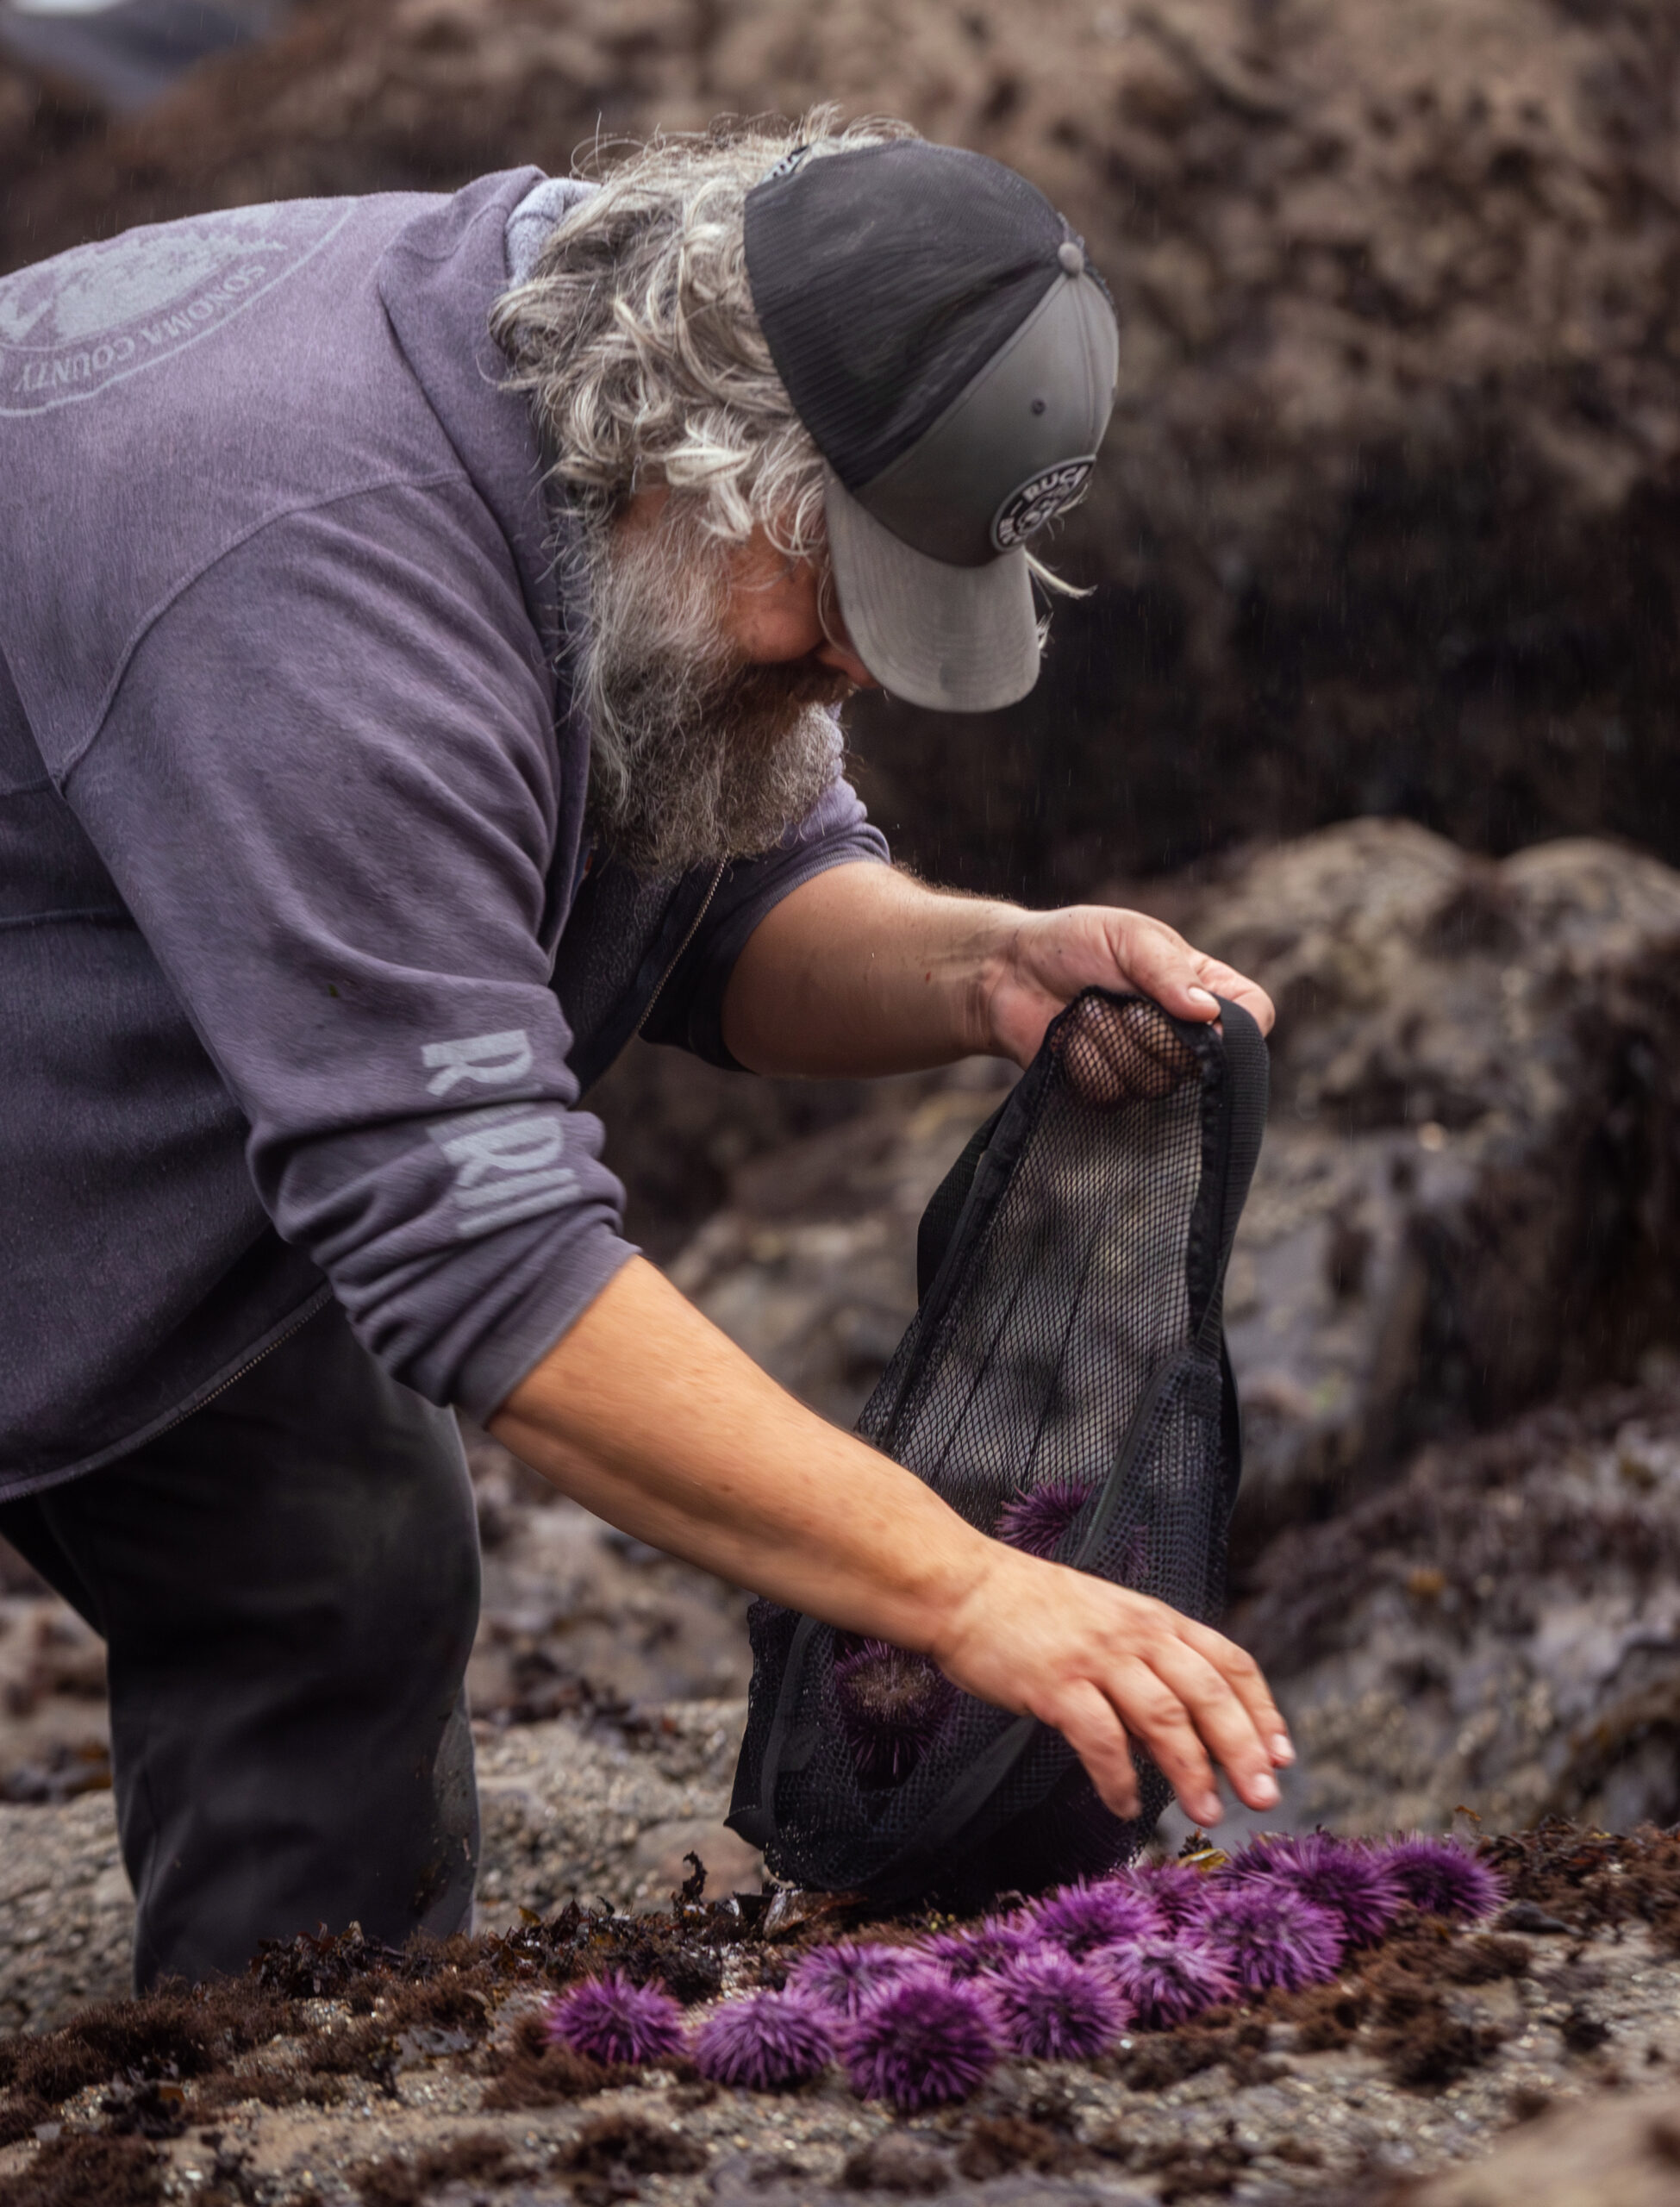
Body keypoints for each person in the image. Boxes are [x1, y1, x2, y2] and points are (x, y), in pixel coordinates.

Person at [0, 112, 1287, 1989]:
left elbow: (728, 892)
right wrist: (963, 1586)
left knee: (333, 1559)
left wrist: (980, 966)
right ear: (692, 464)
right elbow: (488, 1259)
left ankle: (269, 2099)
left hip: (117, 1023)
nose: (854, 673)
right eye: (842, 603)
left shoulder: (606, 446)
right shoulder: (321, 577)